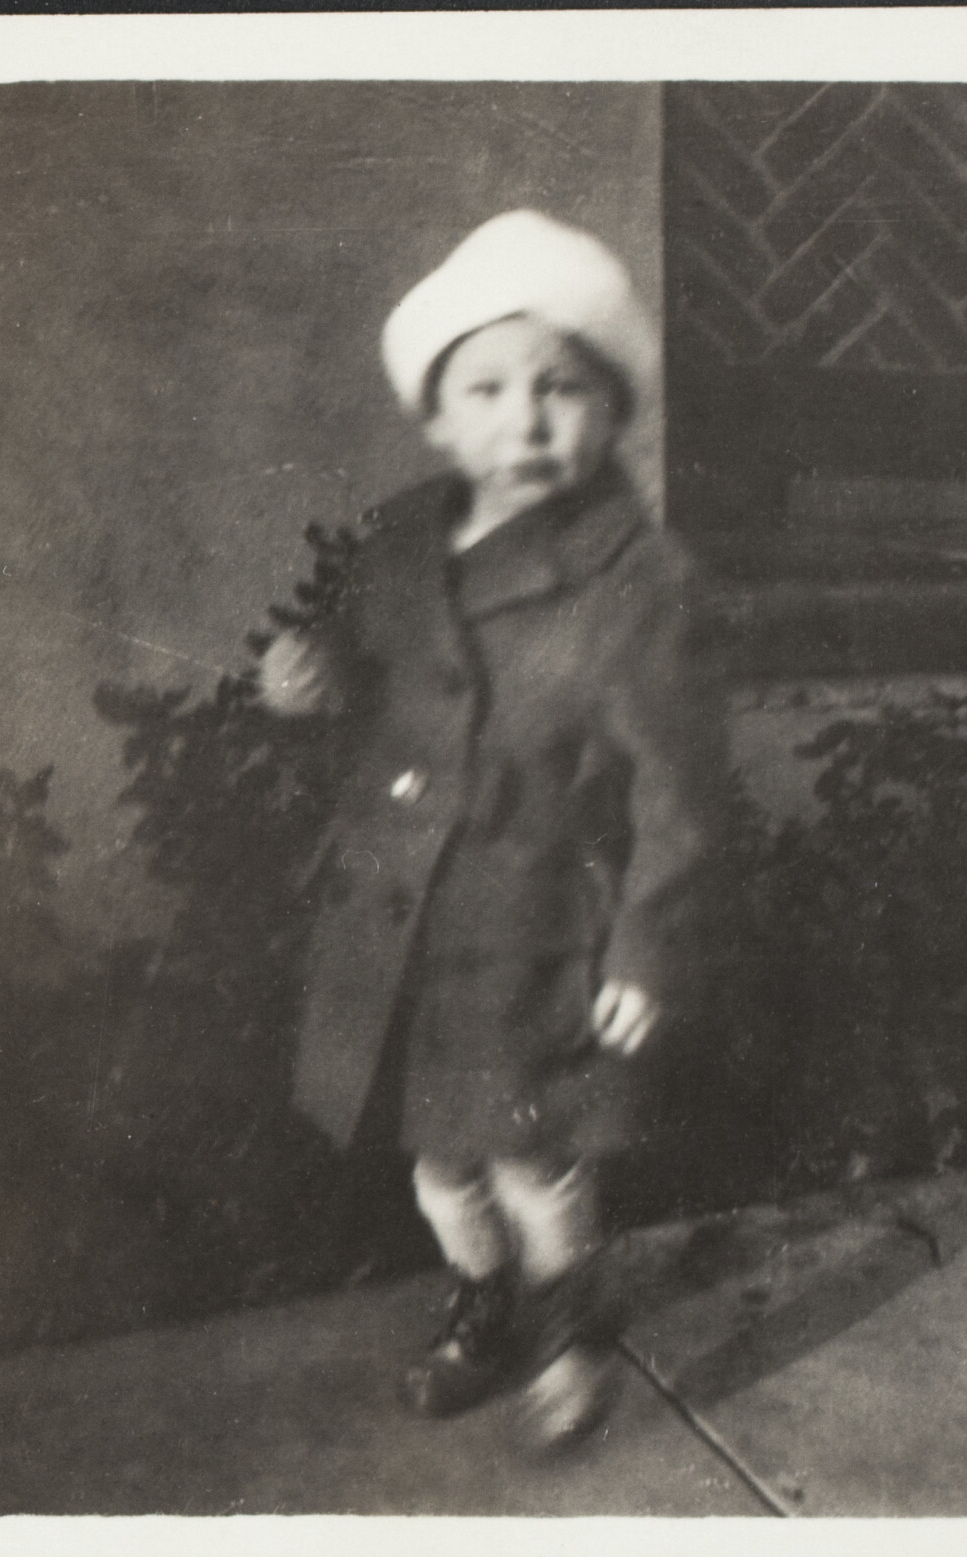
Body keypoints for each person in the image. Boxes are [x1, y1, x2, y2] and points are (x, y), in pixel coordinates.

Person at [259, 210, 725, 1448]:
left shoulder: (636, 578)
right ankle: (484, 1298)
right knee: (437, 1165)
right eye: (489, 387)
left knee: (531, 1159)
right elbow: (374, 669)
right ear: (436, 415)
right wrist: (310, 677)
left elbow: (680, 788)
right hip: (410, 914)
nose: (525, 419)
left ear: (611, 410)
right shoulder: (404, 541)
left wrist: (647, 947)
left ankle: (566, 1321)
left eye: (561, 388)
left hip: (540, 926)